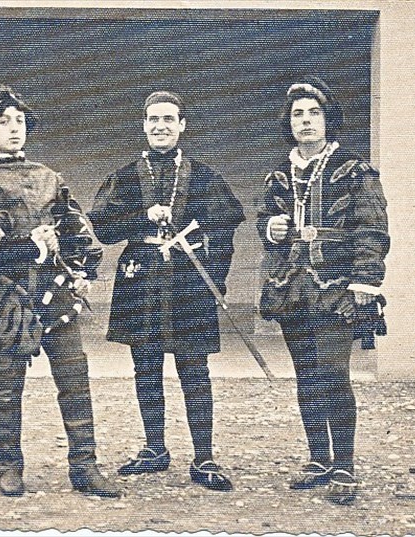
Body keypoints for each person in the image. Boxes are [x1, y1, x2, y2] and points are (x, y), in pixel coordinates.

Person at [0, 86, 120, 498]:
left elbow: (77, 229)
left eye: (20, 120)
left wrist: (82, 270)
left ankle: (85, 466)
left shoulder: (48, 178)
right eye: (4, 121)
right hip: (5, 296)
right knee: (7, 385)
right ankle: (8, 466)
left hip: (55, 294)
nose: (14, 129)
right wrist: (29, 243)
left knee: (75, 379)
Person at [87, 91, 245, 491]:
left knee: (195, 370)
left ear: (182, 125)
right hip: (142, 283)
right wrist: (143, 216)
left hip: (189, 283)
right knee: (146, 367)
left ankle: (205, 457)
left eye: (169, 119)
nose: (161, 126)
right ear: (144, 125)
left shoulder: (204, 176)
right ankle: (155, 448)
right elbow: (103, 228)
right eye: (154, 119)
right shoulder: (123, 176)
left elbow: (225, 227)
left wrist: (214, 275)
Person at [256, 77, 390, 505]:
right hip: (291, 287)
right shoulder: (279, 175)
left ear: (328, 119)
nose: (306, 120)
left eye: (314, 112)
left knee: (333, 375)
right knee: (308, 377)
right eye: (298, 114)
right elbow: (266, 220)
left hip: (336, 289)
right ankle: (317, 459)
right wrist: (270, 228)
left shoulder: (354, 170)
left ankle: (345, 466)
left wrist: (366, 280)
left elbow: (372, 228)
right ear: (288, 123)